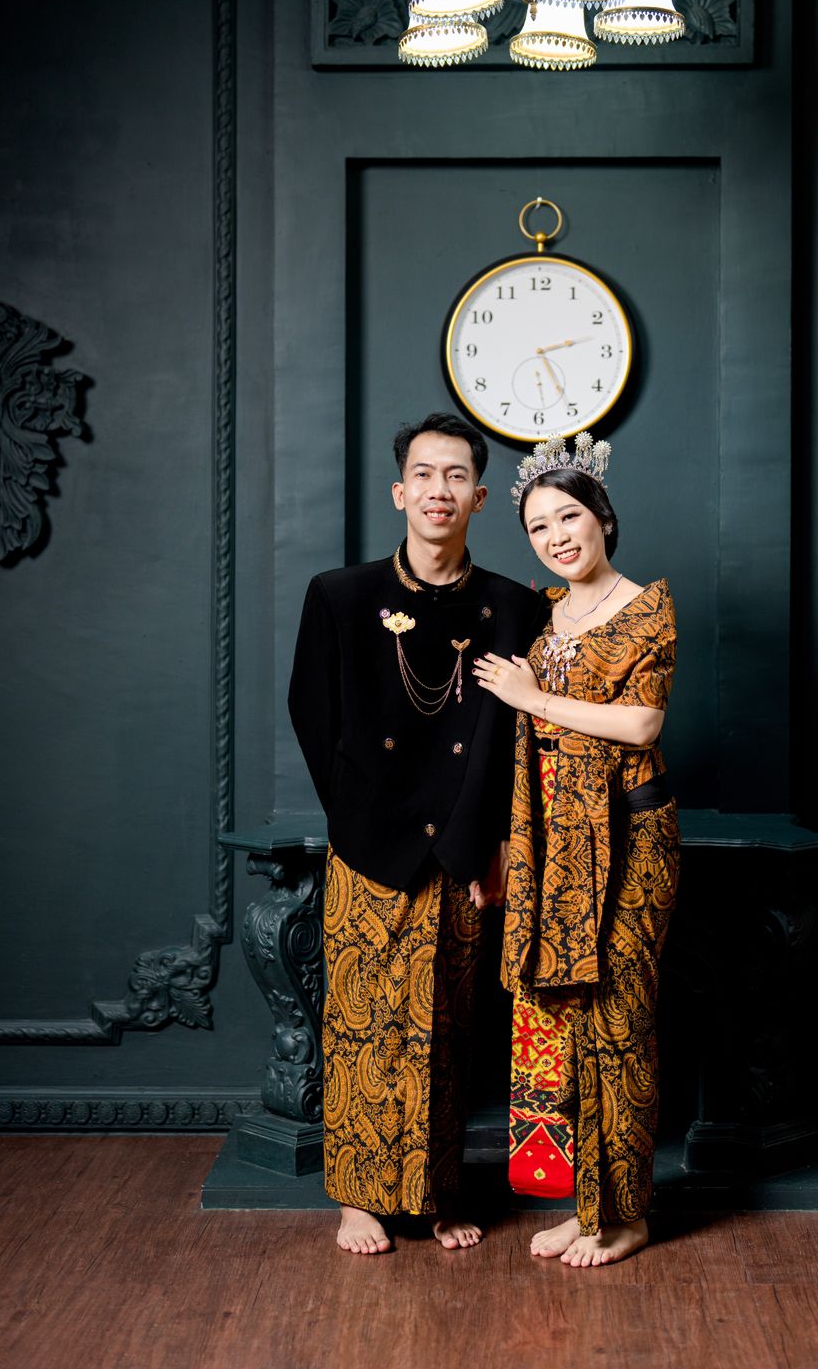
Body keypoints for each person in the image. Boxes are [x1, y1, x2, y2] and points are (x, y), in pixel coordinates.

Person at [288, 412, 544, 1255]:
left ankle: (437, 1193)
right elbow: (312, 713)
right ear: (401, 492)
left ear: (479, 498)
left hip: (462, 845)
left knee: (446, 1026)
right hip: (368, 839)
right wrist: (355, 815)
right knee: (361, 1023)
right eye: (425, 475)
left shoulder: (514, 606)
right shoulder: (340, 595)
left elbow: (514, 739)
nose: (441, 490)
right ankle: (357, 1200)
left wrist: (490, 842)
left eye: (457, 476)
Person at [473, 430, 679, 1268]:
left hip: (629, 837)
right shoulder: (542, 612)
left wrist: (533, 699)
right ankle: (586, 1206)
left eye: (569, 516)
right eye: (538, 526)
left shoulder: (646, 606)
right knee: (564, 1022)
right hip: (552, 842)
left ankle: (627, 1215)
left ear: (603, 516)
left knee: (620, 1020)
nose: (557, 536)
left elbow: (642, 723)